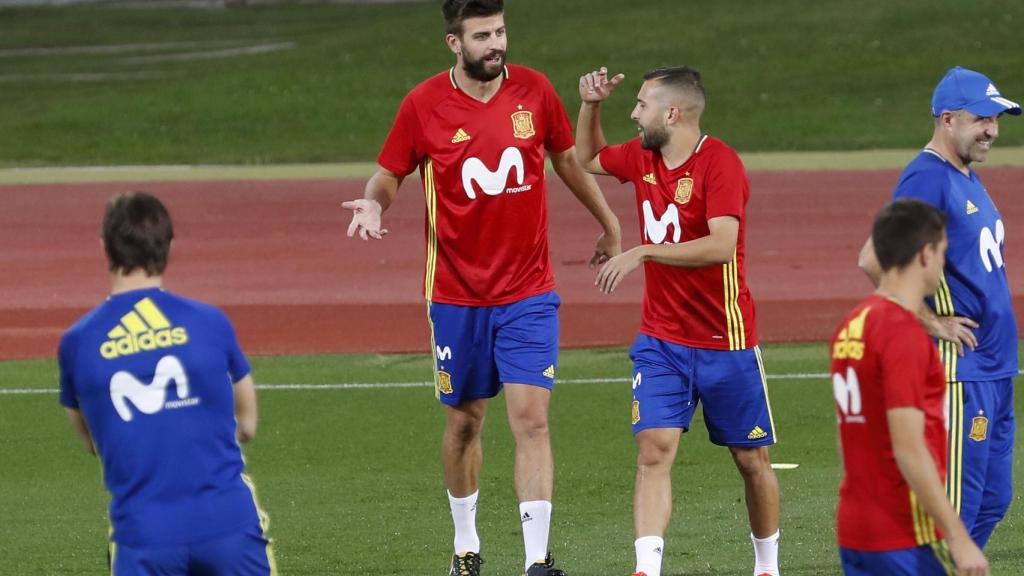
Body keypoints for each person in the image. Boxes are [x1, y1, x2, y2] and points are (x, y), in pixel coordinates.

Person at [343, 1, 621, 574]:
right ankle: (466, 545)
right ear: (454, 43)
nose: (496, 45)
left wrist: (610, 224)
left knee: (532, 420)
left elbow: (566, 161)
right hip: (456, 296)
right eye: (482, 36)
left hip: (528, 292)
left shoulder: (535, 91)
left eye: (500, 32)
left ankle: (537, 560)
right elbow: (390, 172)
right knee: (465, 421)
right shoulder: (423, 105)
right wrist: (373, 201)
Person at [575, 65, 781, 576]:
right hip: (661, 340)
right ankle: (646, 569)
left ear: (672, 112)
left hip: (726, 341)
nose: (634, 112)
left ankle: (767, 566)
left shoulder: (720, 164)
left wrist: (643, 251)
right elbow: (588, 158)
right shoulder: (643, 156)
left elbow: (720, 245)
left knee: (750, 460)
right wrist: (591, 104)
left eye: (641, 104)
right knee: (654, 449)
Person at [58, 191, 276, 575]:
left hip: (144, 534)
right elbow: (248, 425)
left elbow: (93, 441)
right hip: (227, 525)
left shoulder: (78, 342)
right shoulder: (210, 322)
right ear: (169, 246)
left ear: (104, 247)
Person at [858, 66, 1020, 548]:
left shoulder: (964, 176)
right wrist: (930, 321)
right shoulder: (927, 177)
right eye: (982, 118)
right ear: (947, 119)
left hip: (993, 372)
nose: (993, 129)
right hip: (959, 374)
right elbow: (872, 258)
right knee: (952, 511)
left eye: (998, 118)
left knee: (991, 502)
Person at [834, 199, 989, 575]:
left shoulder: (852, 325)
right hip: (904, 531)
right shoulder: (903, 334)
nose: (943, 264)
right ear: (925, 254)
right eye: (942, 253)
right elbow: (909, 448)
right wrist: (959, 537)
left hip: (856, 526)